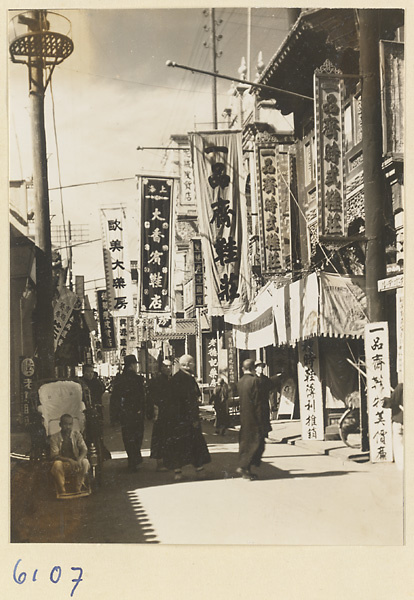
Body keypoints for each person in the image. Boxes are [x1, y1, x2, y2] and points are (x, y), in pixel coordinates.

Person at [163, 354, 211, 481]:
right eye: (193, 362)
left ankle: (177, 472)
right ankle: (199, 469)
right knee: (195, 444)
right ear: (187, 365)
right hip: (188, 418)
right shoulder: (188, 379)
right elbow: (191, 401)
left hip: (176, 419)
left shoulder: (174, 378)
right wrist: (194, 418)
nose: (194, 365)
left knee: (178, 444)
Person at [110, 354, 146, 472]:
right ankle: (136, 458)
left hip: (125, 413)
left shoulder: (119, 379)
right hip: (137, 412)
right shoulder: (138, 379)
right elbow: (142, 397)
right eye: (135, 364)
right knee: (137, 436)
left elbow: (114, 398)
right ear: (132, 365)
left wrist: (114, 416)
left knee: (128, 436)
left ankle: (132, 459)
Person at [236, 358, 265, 480]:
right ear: (253, 368)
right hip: (254, 417)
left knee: (246, 442)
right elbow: (258, 403)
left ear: (243, 369)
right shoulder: (255, 381)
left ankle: (246, 469)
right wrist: (261, 419)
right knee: (256, 443)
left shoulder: (240, 381)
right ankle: (245, 467)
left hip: (244, 416)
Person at [50, 414, 90, 496]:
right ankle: (62, 489)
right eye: (65, 424)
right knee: (57, 464)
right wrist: (69, 460)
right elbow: (55, 455)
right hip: (63, 464)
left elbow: (84, 449)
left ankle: (78, 486)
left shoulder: (77, 435)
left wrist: (79, 459)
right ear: (60, 425)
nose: (68, 427)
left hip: (76, 463)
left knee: (85, 462)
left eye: (70, 424)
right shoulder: (54, 437)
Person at [148, 359, 173, 471]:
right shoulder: (157, 380)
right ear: (161, 368)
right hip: (160, 412)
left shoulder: (171, 380)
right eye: (166, 366)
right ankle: (160, 462)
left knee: (169, 437)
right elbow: (152, 397)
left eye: (170, 366)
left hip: (169, 413)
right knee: (159, 437)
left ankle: (168, 461)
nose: (168, 369)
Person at [383, 382, 403, 470]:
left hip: (400, 421)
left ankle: (402, 469)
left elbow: (392, 402)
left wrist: (384, 400)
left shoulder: (402, 387)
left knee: (399, 448)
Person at [255, 361, 274, 441]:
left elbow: (271, 390)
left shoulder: (266, 379)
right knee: (257, 419)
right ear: (255, 368)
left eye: (262, 367)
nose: (261, 369)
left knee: (265, 418)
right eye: (259, 367)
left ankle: (265, 435)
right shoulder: (253, 379)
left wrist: (272, 403)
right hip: (256, 403)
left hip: (264, 402)